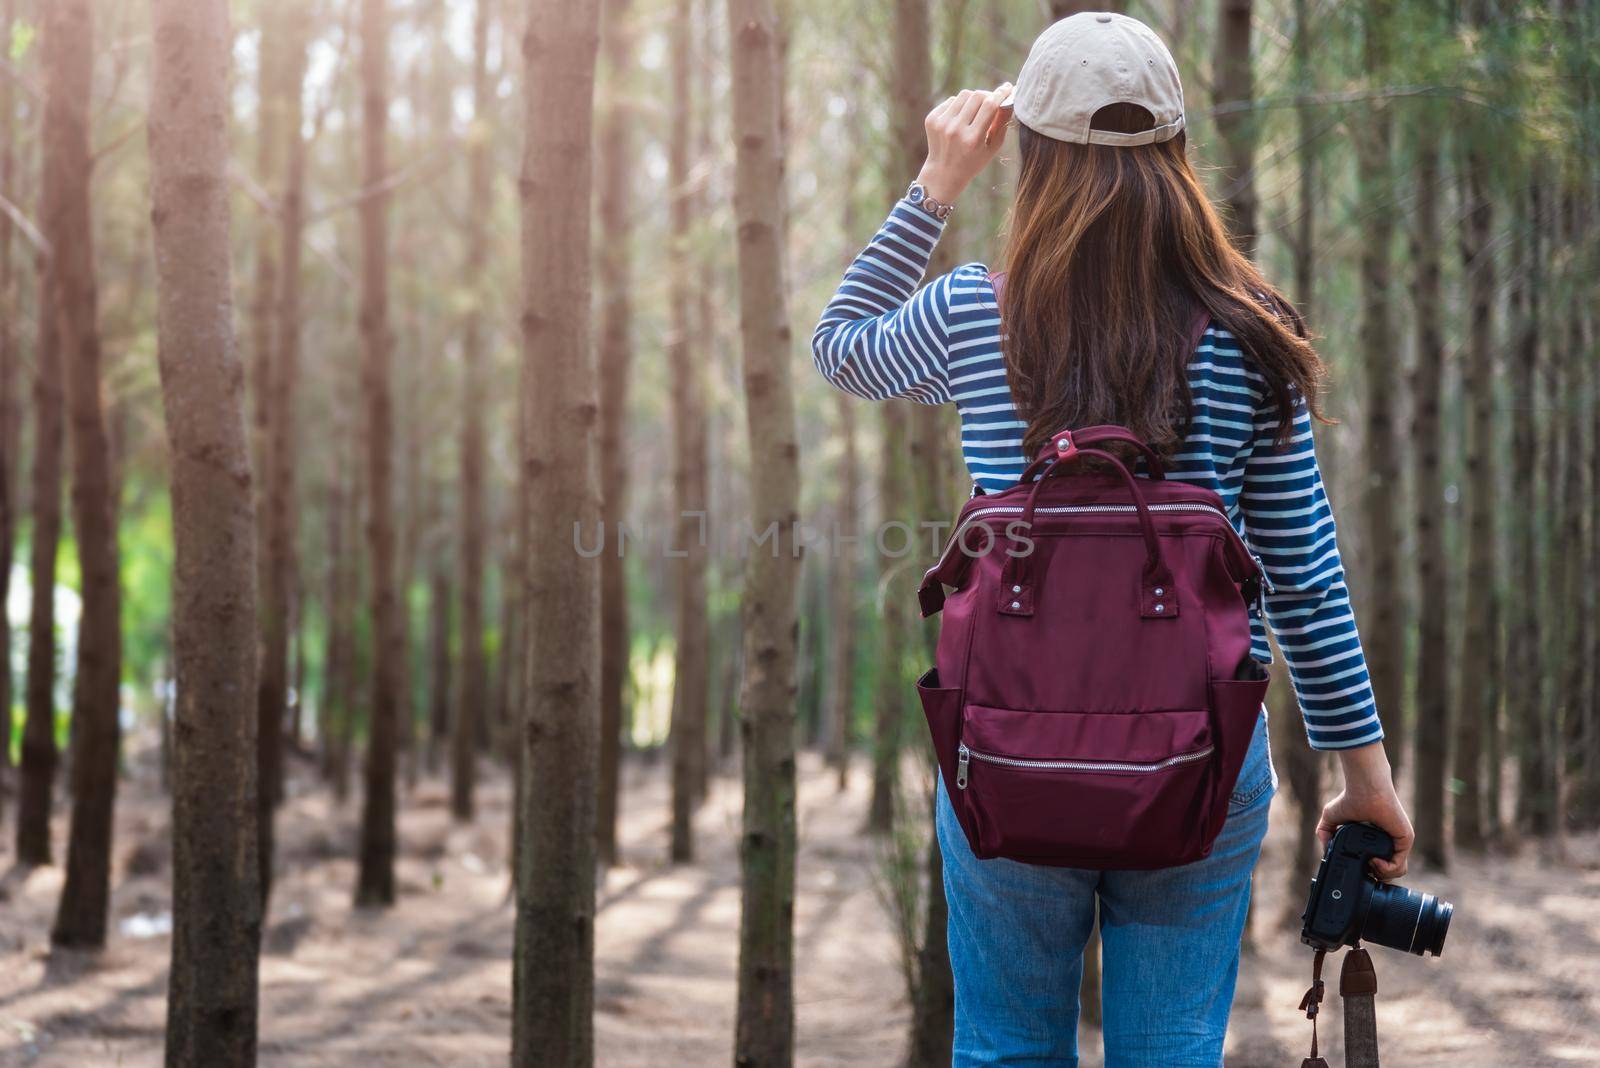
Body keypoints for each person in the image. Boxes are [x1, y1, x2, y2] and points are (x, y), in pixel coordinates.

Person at [810, 12, 1415, 1067]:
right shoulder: (1250, 329)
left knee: (1003, 1047)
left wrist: (933, 189)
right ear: (1176, 155)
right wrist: (1362, 774)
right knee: (1171, 1051)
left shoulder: (973, 315)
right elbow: (1304, 576)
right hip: (1203, 750)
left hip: (1003, 743)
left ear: (1030, 155)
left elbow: (838, 347)